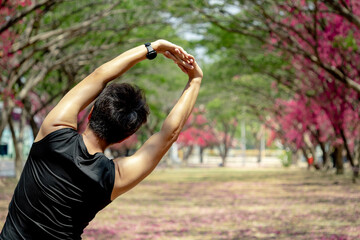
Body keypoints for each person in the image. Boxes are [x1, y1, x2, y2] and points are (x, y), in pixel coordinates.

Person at [0, 40, 203, 239]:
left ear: (91, 112)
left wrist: (153, 47)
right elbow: (168, 135)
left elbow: (99, 76)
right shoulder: (115, 177)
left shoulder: (54, 131)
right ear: (126, 136)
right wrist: (194, 81)